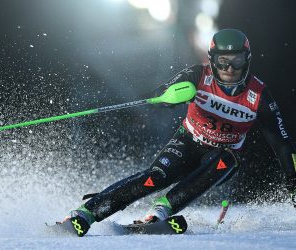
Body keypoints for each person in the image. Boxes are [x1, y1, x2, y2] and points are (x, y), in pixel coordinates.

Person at [57, 29, 296, 236]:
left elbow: (281, 141)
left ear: (247, 60)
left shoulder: (259, 96)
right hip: (188, 140)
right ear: (212, 60)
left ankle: (157, 214)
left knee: (225, 161)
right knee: (155, 177)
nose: (229, 68)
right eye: (223, 61)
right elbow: (159, 93)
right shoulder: (197, 74)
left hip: (223, 152)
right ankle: (84, 214)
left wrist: (292, 178)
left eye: (237, 61)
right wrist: (169, 97)